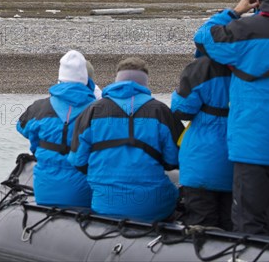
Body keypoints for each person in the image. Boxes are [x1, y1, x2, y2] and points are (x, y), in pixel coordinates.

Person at [193, 0, 269, 237]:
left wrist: (233, 12)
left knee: (249, 223)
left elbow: (203, 39)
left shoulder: (245, 31)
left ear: (258, 2)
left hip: (254, 145)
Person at [68, 57, 183, 222]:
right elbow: (173, 160)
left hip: (105, 204)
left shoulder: (92, 111)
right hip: (153, 207)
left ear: (117, 80)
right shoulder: (161, 111)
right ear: (145, 82)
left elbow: (78, 160)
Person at [16, 50, 97, 207]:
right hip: (83, 195)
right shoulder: (98, 111)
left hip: (44, 192)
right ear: (85, 80)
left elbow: (21, 126)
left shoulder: (39, 108)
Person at [171, 56, 232, 230]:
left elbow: (181, 109)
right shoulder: (249, 61)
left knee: (202, 226)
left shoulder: (201, 67)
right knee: (235, 225)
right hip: (241, 159)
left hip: (201, 162)